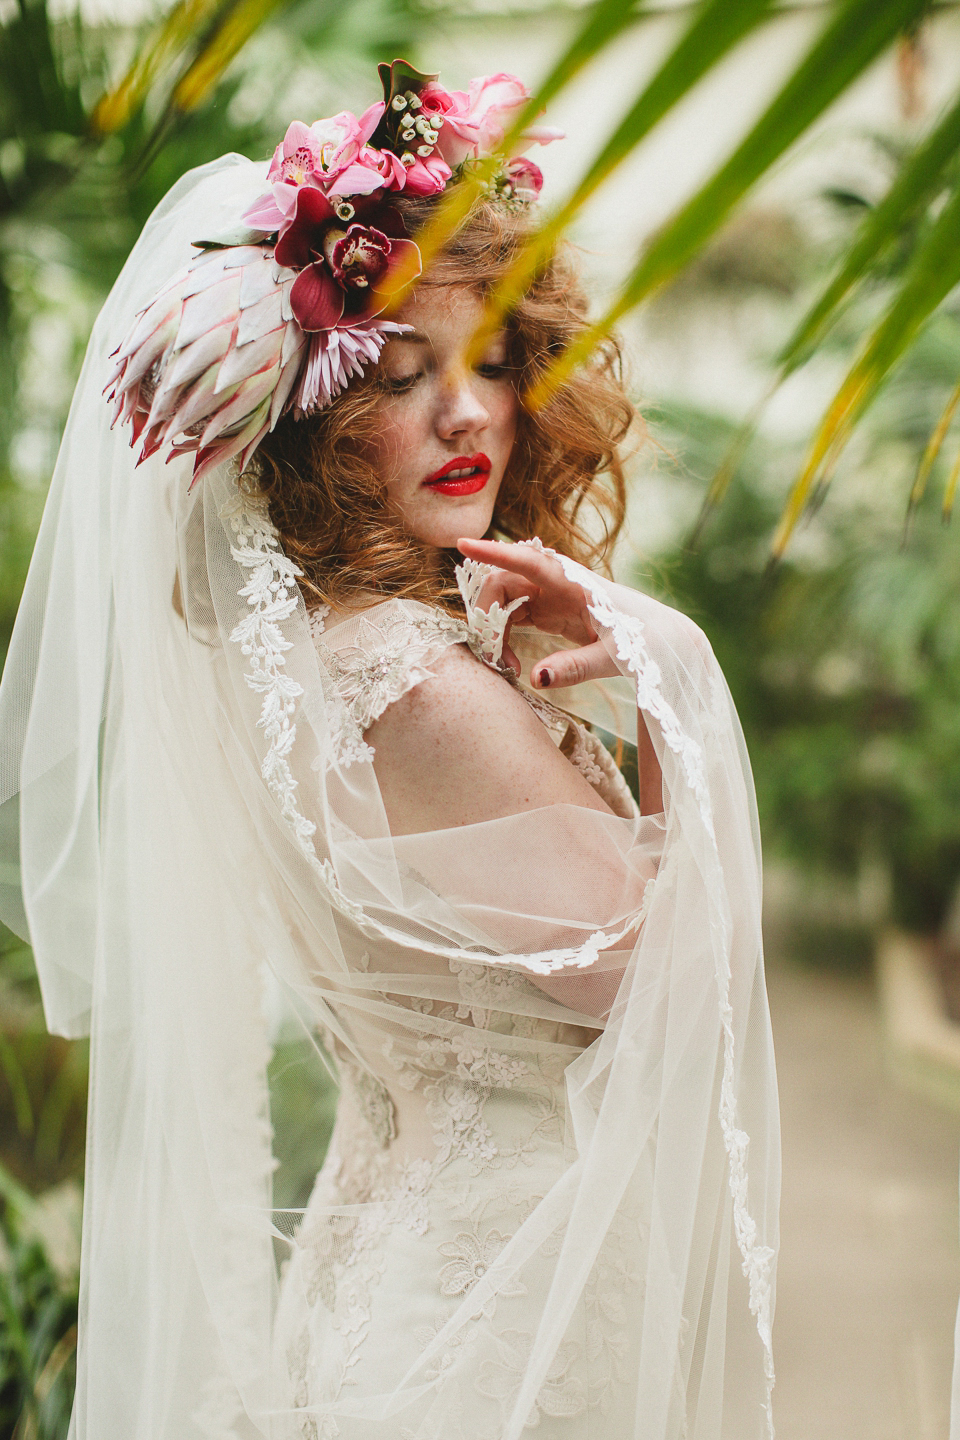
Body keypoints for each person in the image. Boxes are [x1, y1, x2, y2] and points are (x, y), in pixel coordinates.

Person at [0, 60, 780, 1440]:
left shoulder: (300, 655)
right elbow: (661, 990)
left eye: (489, 360)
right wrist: (676, 676)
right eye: (405, 376)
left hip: (416, 1279)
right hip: (496, 1334)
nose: (471, 411)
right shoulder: (411, 687)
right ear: (312, 426)